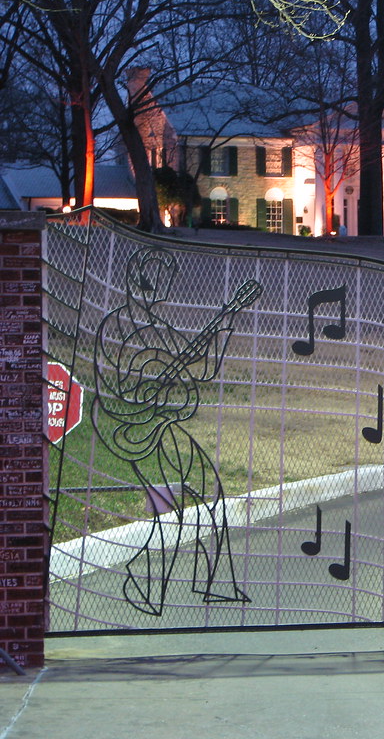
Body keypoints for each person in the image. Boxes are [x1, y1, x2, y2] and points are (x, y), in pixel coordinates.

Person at [92, 247, 259, 615]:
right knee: (172, 515)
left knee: (211, 496)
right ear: (139, 281)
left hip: (163, 424)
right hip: (137, 429)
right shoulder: (117, 325)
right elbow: (116, 384)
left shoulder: (160, 328)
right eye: (154, 282)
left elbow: (196, 370)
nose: (159, 291)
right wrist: (147, 386)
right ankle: (149, 589)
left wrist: (223, 327)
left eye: (164, 283)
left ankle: (216, 585)